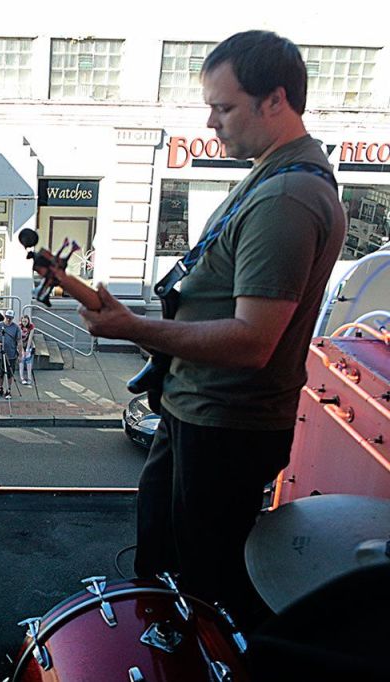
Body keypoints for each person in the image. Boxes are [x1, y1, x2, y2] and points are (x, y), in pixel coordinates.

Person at [74, 30, 346, 629]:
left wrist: (132, 327)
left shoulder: (287, 197)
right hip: (199, 412)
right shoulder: (270, 175)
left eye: (224, 107)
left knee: (199, 591)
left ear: (275, 100)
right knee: (164, 565)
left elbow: (252, 342)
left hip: (224, 427)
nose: (211, 121)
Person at [0, 310, 22, 399]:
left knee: (10, 373)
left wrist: (20, 354)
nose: (8, 319)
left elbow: (19, 341)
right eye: (7, 317)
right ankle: (0, 388)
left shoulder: (16, 328)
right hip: (0, 354)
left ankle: (8, 389)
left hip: (11, 354)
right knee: (0, 373)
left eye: (10, 318)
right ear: (4, 316)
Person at [18, 314, 36, 386]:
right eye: (23, 321)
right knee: (22, 359)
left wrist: (27, 349)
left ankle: (29, 377)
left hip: (28, 344)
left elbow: (30, 338)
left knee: (28, 360)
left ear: (28, 321)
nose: (24, 323)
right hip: (20, 344)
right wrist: (22, 350)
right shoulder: (19, 327)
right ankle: (21, 378)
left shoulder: (31, 327)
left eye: (26, 321)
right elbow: (19, 339)